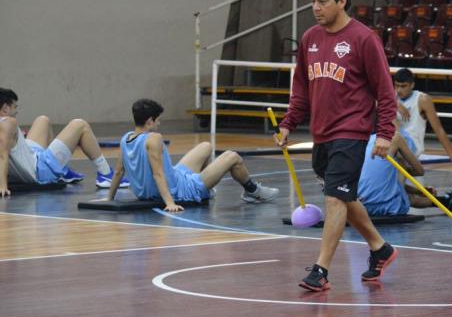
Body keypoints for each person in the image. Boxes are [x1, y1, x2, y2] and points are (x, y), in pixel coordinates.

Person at [275, 0, 398, 292]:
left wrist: (384, 132)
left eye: (323, 1)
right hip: (322, 133)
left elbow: (386, 92)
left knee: (334, 200)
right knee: (344, 196)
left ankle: (321, 269)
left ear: (342, 1)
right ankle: (380, 248)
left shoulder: (364, 39)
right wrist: (289, 122)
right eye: (313, 1)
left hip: (352, 132)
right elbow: (300, 88)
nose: (316, 8)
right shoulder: (309, 39)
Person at [105, 99, 279, 212]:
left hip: (175, 177)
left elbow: (119, 172)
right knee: (232, 157)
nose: (159, 123)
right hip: (181, 191)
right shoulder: (154, 139)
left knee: (205, 146)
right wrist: (170, 203)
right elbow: (157, 174)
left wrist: (109, 199)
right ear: (150, 121)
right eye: (158, 119)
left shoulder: (125, 139)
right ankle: (252, 191)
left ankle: (207, 189)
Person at [0, 87, 128, 197]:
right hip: (40, 171)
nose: (16, 111)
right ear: (5, 108)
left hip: (32, 156)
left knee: (42, 120)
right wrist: (3, 186)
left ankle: (63, 172)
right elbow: (2, 155)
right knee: (80, 125)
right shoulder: (8, 122)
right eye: (14, 107)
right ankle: (105, 174)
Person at [358, 129, 452, 217]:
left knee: (383, 177)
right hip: (387, 206)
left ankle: (445, 201)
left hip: (359, 208)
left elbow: (378, 182)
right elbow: (420, 171)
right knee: (401, 163)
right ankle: (445, 201)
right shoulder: (395, 137)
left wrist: (418, 190)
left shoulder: (355, 142)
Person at [393, 68, 452, 164]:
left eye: (403, 86)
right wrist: (394, 103)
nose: (399, 90)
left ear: (412, 85)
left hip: (412, 145)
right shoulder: (391, 97)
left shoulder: (423, 99)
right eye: (396, 86)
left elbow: (438, 129)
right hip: (394, 141)